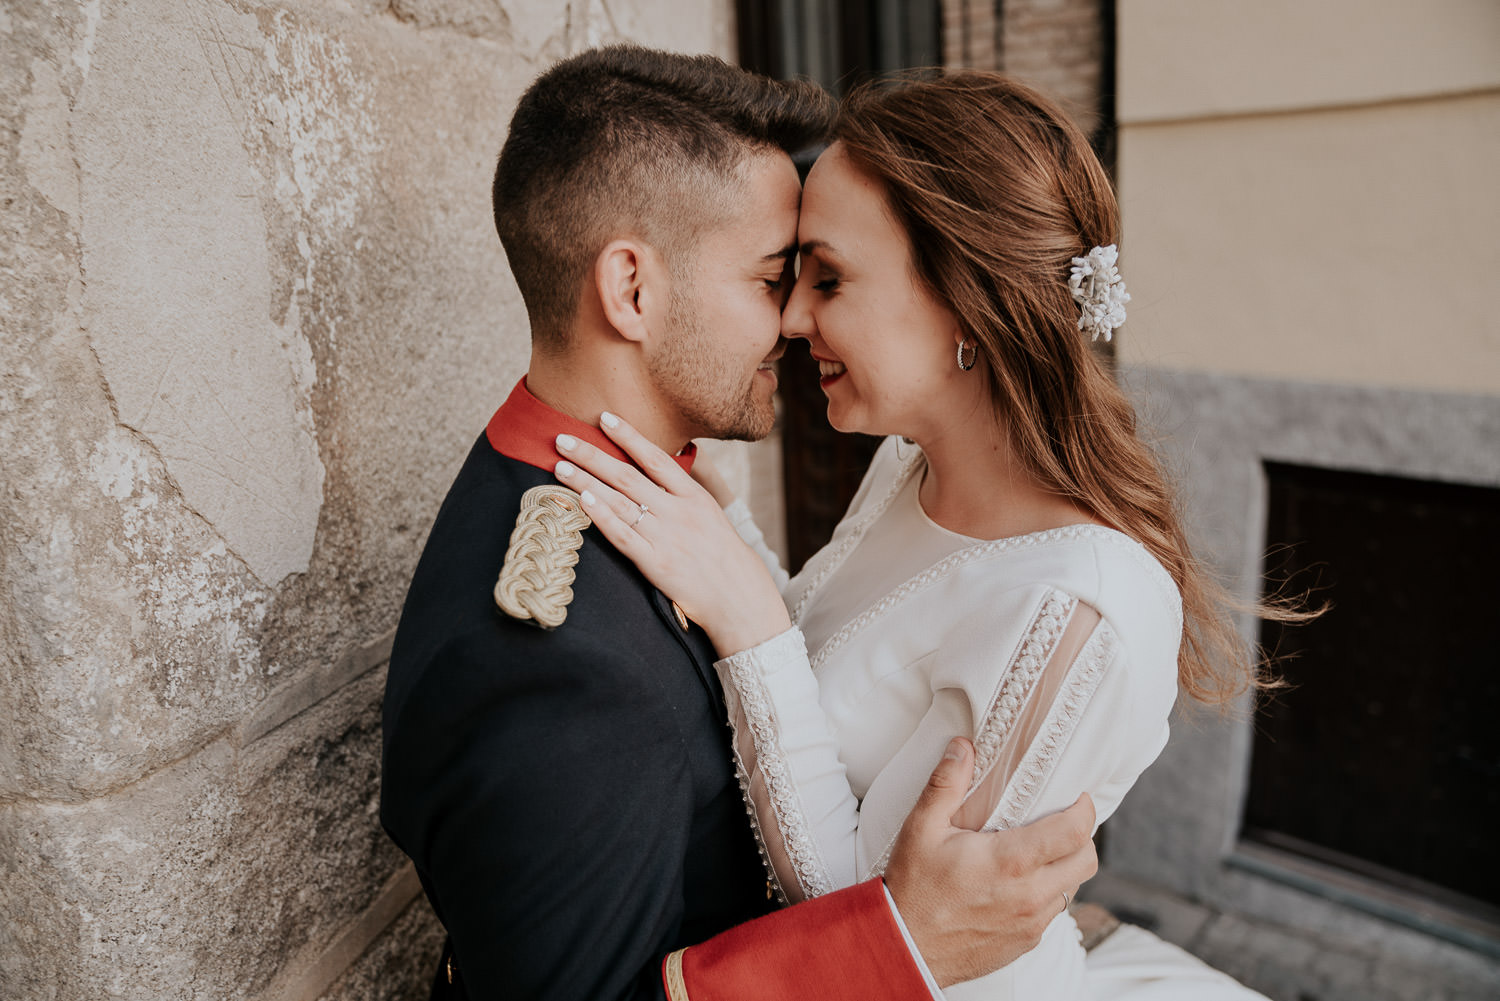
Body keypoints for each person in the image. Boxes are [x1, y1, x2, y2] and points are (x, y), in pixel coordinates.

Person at [379, 49, 1100, 1001]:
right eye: (771, 279)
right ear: (632, 292)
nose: (797, 321)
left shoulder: (614, 496)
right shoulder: (564, 664)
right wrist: (897, 943)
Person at [554, 72, 1291, 998]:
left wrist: (746, 619)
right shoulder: (909, 464)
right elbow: (838, 669)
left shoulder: (1078, 608)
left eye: (828, 277)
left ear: (965, 300)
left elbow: (884, 926)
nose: (790, 318)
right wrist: (726, 520)